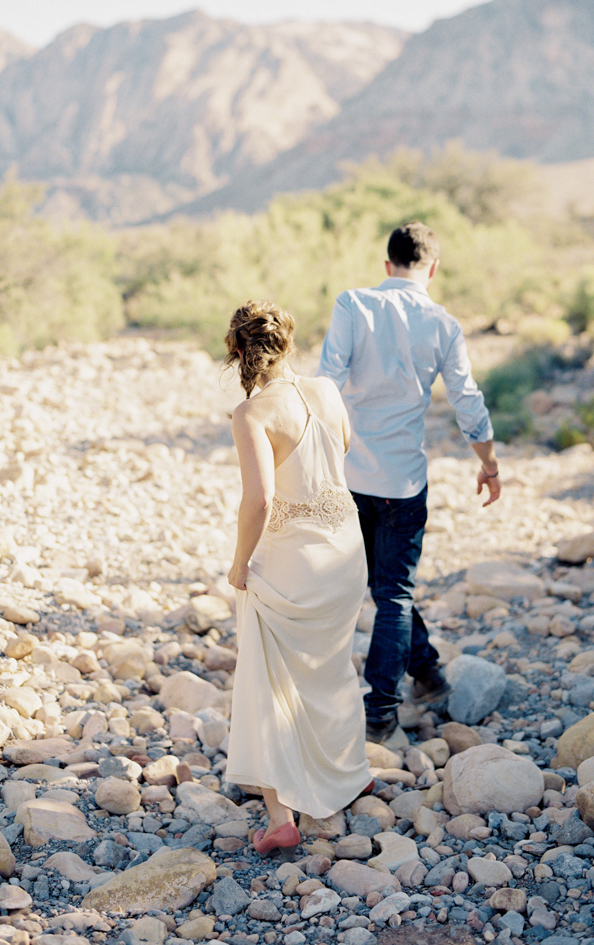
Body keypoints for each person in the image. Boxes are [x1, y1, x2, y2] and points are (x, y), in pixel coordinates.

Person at [317, 221, 501, 744]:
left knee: (386, 593)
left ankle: (408, 688)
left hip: (349, 476)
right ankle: (398, 697)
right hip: (403, 482)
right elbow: (467, 401)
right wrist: (489, 464)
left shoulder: (353, 303)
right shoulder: (444, 324)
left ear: (387, 264)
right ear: (433, 269)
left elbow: (326, 381)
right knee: (392, 593)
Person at [223, 299, 371, 861]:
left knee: (267, 681)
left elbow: (259, 501)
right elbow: (347, 445)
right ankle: (348, 775)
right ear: (288, 343)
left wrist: (241, 564)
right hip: (345, 551)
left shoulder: (252, 414)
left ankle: (281, 817)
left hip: (294, 562)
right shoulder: (327, 391)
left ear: (238, 351)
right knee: (331, 667)